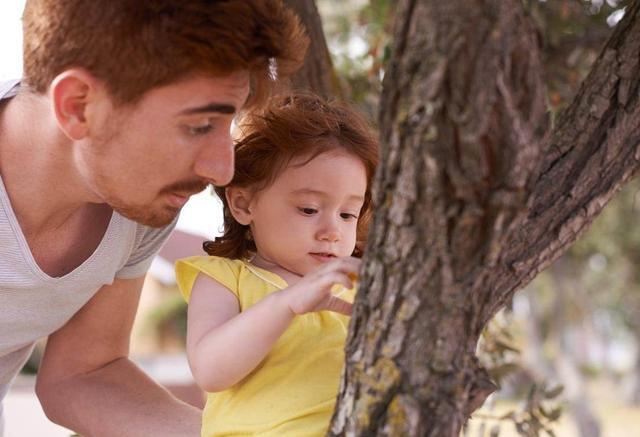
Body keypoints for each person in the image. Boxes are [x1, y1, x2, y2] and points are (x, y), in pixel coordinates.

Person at [0, 1, 308, 435]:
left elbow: (86, 372)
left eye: (228, 124)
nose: (222, 171)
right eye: (200, 126)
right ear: (78, 105)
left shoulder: (139, 205)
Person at [175, 93, 380, 436]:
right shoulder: (226, 279)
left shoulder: (358, 287)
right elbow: (210, 370)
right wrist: (286, 304)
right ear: (243, 203)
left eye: (347, 214)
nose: (332, 232)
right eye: (309, 209)